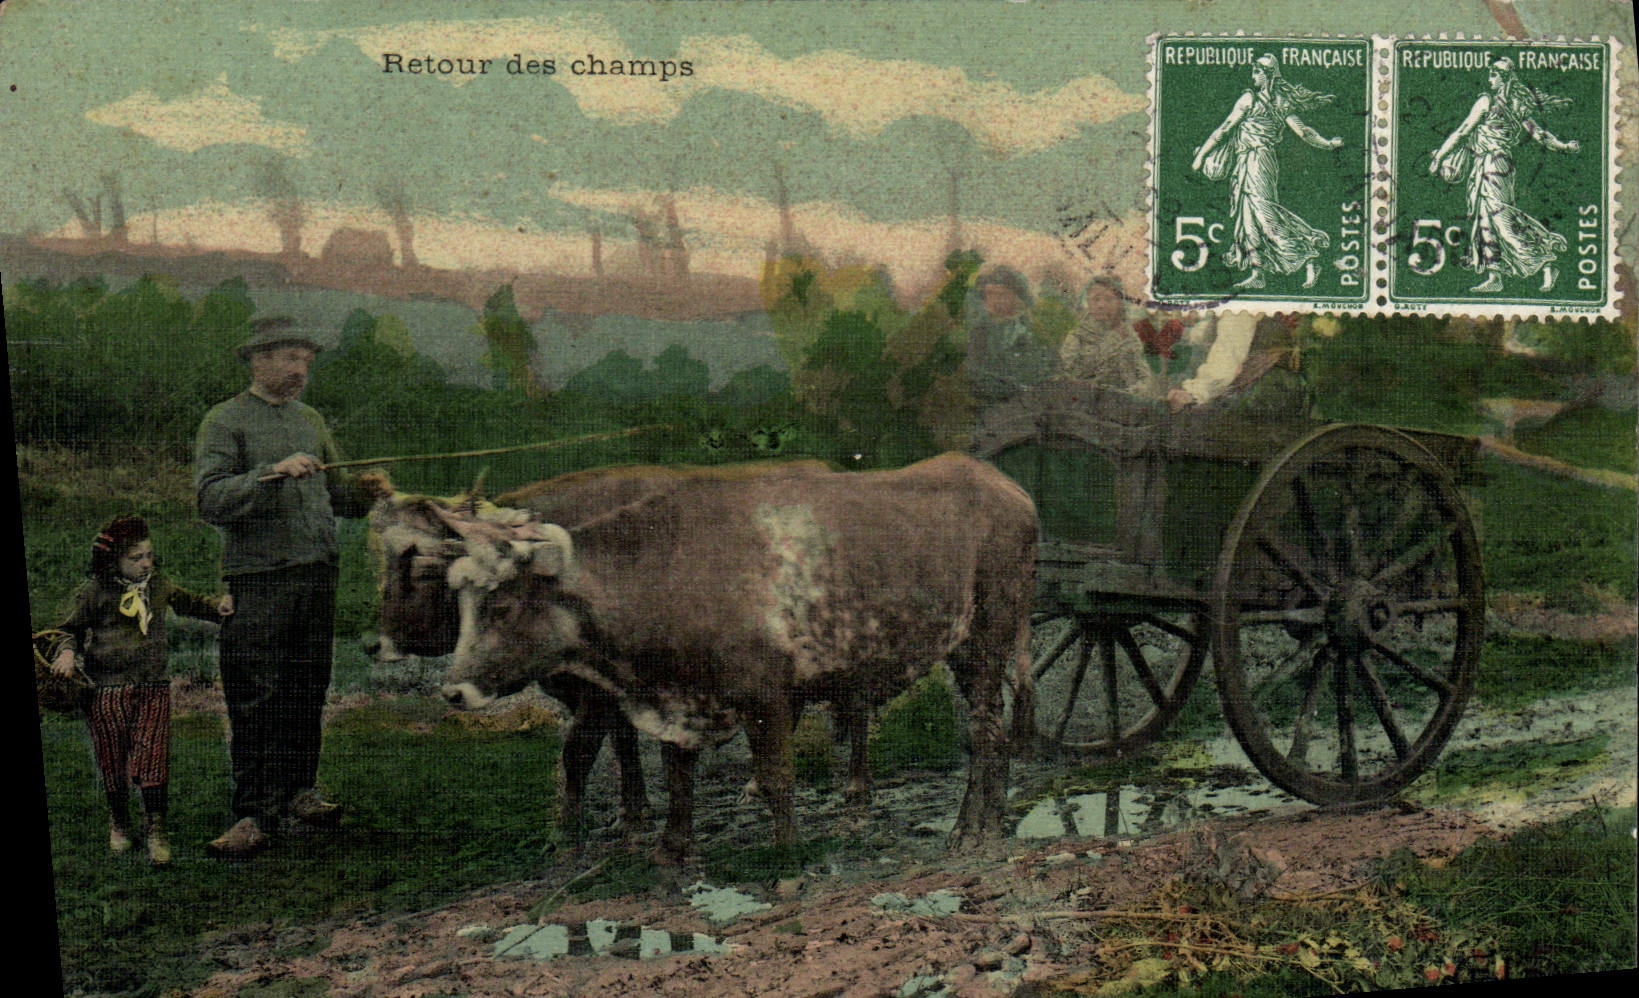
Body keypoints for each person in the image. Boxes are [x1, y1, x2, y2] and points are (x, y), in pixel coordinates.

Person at [193, 316, 385, 859]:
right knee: (256, 696)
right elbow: (209, 499)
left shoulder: (312, 420)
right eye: (290, 359)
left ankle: (300, 792)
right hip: (258, 580)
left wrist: (365, 493)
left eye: (306, 361)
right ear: (258, 359)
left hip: (316, 574)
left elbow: (337, 496)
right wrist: (271, 473)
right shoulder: (225, 421)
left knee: (307, 689)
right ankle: (251, 813)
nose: (301, 370)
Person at [51, 515, 233, 865]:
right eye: (136, 558)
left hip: (152, 686)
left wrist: (217, 607)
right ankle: (119, 820)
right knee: (112, 757)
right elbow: (67, 628)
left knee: (153, 754)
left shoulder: (158, 585)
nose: (146, 563)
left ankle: (156, 828)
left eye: (149, 555)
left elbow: (189, 601)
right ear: (113, 559)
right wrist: (68, 653)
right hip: (107, 690)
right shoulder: (95, 591)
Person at [1191, 53, 1343, 290]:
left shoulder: (1262, 100)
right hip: (1245, 161)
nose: (1253, 77)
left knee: (1264, 214)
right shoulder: (1268, 100)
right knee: (1247, 217)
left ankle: (1308, 258)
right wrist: (1328, 143)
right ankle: (1257, 271)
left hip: (1260, 161)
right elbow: (1226, 129)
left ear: (1268, 75)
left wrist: (1201, 156)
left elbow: (1302, 132)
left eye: (1257, 72)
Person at [1429, 57, 1580, 294]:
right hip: (1494, 164)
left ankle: (1545, 262)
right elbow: (1539, 135)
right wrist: (1563, 146)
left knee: (1501, 219)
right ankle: (1495, 276)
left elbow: (1463, 131)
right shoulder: (1516, 105)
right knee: (1485, 220)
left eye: (1493, 75)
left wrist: (1439, 157)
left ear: (1503, 78)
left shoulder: (1486, 101)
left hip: (1493, 164)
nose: (1489, 79)